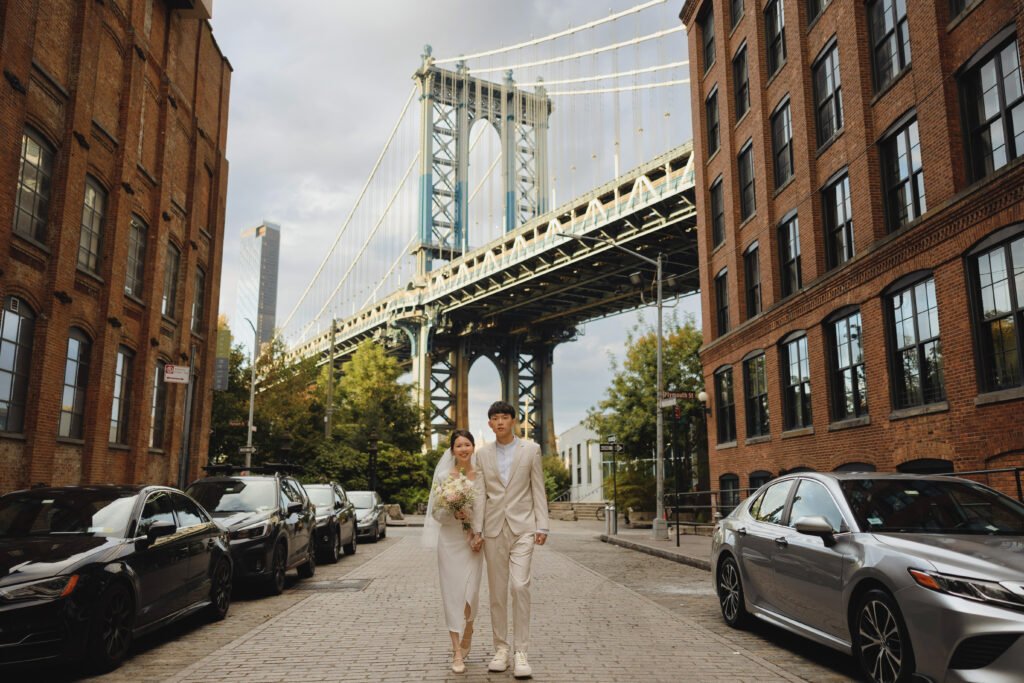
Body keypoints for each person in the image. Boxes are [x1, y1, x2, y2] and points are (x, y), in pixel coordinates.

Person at [470, 401, 550, 679]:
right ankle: (501, 649)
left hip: (523, 528)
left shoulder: (531, 450)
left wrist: (543, 525)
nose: (500, 422)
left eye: (505, 417)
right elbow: (480, 494)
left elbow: (537, 488)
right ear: (490, 424)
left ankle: (522, 652)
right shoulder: (482, 455)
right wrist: (476, 530)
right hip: (493, 529)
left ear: (513, 421)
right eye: (495, 418)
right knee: (497, 593)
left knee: (519, 586)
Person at [423, 429, 485, 674]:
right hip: (449, 541)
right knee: (452, 594)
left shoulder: (480, 475)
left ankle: (469, 627)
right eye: (458, 445)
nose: (463, 449)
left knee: (471, 592)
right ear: (452, 450)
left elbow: (483, 508)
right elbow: (436, 513)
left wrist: (477, 533)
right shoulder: (442, 476)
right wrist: (453, 511)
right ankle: (456, 650)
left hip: (473, 542)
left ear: (473, 447)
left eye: (467, 444)